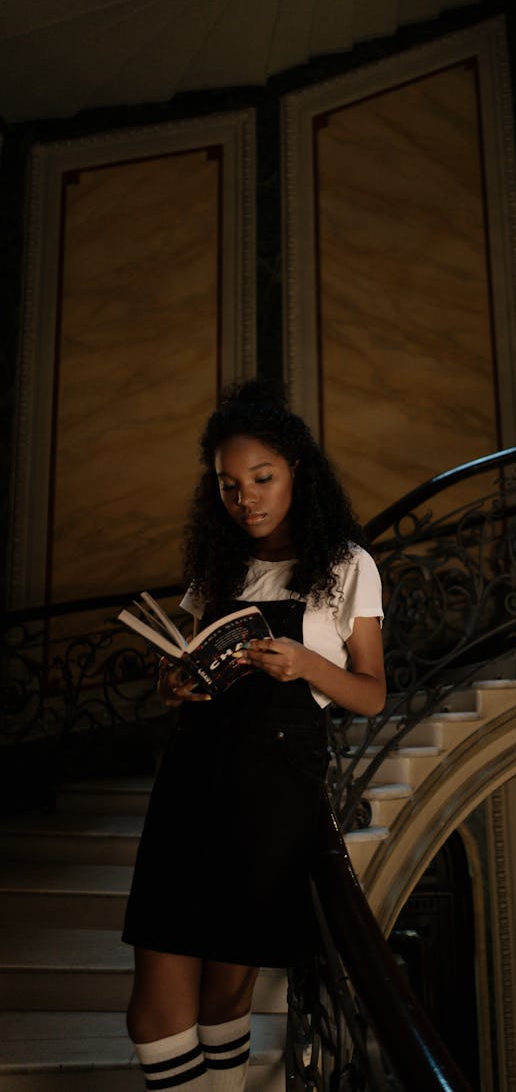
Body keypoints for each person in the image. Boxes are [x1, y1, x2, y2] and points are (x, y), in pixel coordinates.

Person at [122, 380, 386, 1091]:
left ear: (296, 466)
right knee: (153, 1004)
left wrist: (303, 664)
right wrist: (176, 680)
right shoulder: (219, 564)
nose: (247, 500)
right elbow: (195, 652)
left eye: (261, 479)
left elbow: (372, 690)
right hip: (191, 775)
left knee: (223, 997)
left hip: (272, 790)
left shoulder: (348, 566)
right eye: (230, 487)